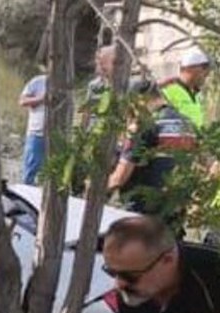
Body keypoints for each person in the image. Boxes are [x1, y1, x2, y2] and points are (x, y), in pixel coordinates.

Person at [107, 79, 195, 233]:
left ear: (140, 100)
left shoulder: (144, 125)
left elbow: (120, 178)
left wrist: (93, 194)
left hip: (142, 216)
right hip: (173, 213)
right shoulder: (187, 123)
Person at [161, 48, 210, 129]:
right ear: (189, 68)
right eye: (203, 67)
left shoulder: (197, 95)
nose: (207, 72)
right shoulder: (168, 91)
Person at [19, 68, 48, 184]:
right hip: (36, 134)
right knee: (30, 171)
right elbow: (22, 101)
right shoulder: (38, 81)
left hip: (57, 135)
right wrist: (41, 99)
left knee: (51, 173)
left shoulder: (66, 84)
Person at [80, 45, 116, 131]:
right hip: (94, 131)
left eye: (105, 61)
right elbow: (87, 111)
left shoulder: (125, 84)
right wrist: (83, 132)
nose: (101, 65)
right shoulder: (94, 85)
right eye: (99, 62)